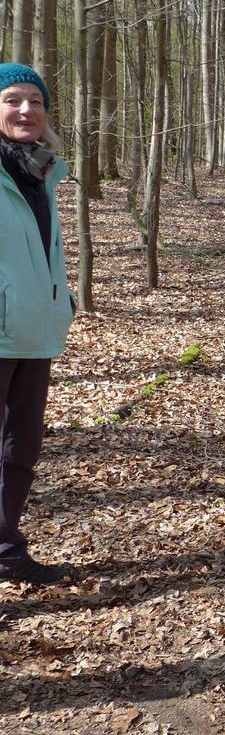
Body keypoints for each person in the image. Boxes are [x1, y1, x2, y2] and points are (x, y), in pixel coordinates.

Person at [0, 63, 75, 585]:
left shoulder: (42, 171)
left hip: (35, 329)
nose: (25, 110)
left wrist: (61, 300)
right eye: (12, 99)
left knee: (21, 448)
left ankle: (6, 550)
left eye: (35, 101)